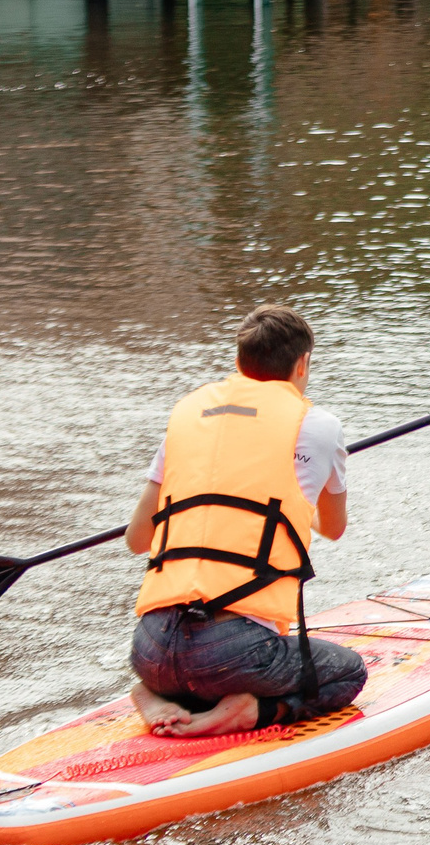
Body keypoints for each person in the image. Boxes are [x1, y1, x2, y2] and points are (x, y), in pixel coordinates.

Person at [126, 306, 369, 738]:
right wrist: (297, 504)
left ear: (239, 362)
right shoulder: (320, 426)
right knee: (348, 672)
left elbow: (137, 538)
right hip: (233, 656)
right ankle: (247, 712)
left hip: (150, 648)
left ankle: (151, 692)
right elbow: (332, 528)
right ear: (302, 363)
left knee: (189, 664)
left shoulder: (185, 416)